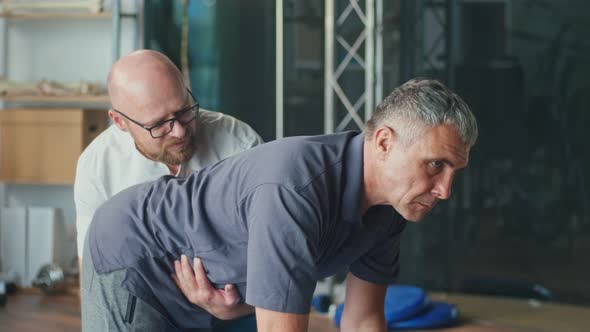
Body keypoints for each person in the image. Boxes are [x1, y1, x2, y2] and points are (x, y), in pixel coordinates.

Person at [81, 78, 478, 332]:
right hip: (136, 256)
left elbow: (362, 320)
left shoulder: (393, 207)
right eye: (435, 165)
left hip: (218, 298)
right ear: (385, 143)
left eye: (454, 170)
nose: (445, 189)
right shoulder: (297, 188)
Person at [74, 50, 262, 320]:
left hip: (237, 303)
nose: (180, 131)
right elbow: (93, 277)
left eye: (184, 111)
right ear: (120, 122)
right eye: (159, 124)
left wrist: (237, 308)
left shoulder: (239, 145)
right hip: (147, 306)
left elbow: (278, 255)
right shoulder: (97, 166)